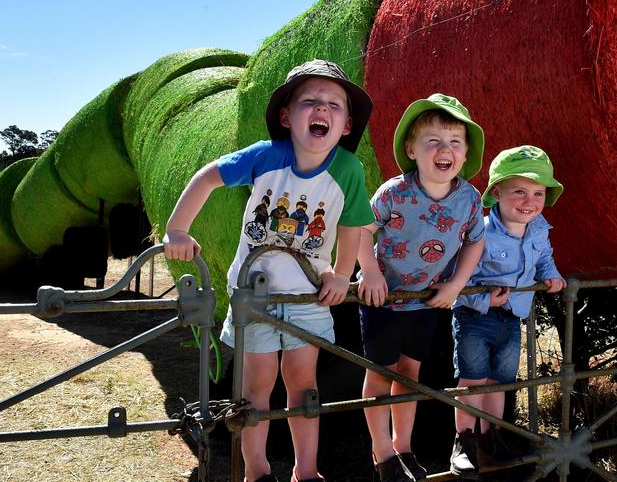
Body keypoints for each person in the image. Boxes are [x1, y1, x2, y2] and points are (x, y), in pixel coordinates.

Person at [164, 59, 375, 482]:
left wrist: (340, 272)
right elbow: (207, 178)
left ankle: (307, 470)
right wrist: (176, 229)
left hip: (307, 294)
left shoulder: (348, 170)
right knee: (255, 387)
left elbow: (353, 224)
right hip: (253, 294)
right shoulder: (266, 156)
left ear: (347, 125)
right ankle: (256, 471)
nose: (322, 110)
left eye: (334, 104)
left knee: (304, 383)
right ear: (286, 116)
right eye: (310, 101)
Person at [357, 94, 487, 482]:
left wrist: (456, 284)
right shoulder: (393, 192)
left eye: (455, 142)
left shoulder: (468, 198)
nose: (444, 150)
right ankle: (381, 455)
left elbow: (475, 241)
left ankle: (403, 448)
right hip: (382, 298)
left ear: (465, 156)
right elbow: (361, 229)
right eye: (433, 141)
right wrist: (370, 271)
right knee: (380, 373)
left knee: (409, 374)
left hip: (426, 300)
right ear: (411, 150)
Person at [450, 145, 566, 477]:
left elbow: (544, 257)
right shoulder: (481, 231)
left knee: (500, 381)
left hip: (513, 315)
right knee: (472, 380)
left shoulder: (540, 229)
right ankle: (464, 443)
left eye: (538, 193)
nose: (530, 201)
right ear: (496, 192)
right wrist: (485, 299)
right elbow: (460, 275)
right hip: (475, 316)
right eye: (519, 191)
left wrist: (551, 274)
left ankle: (492, 438)